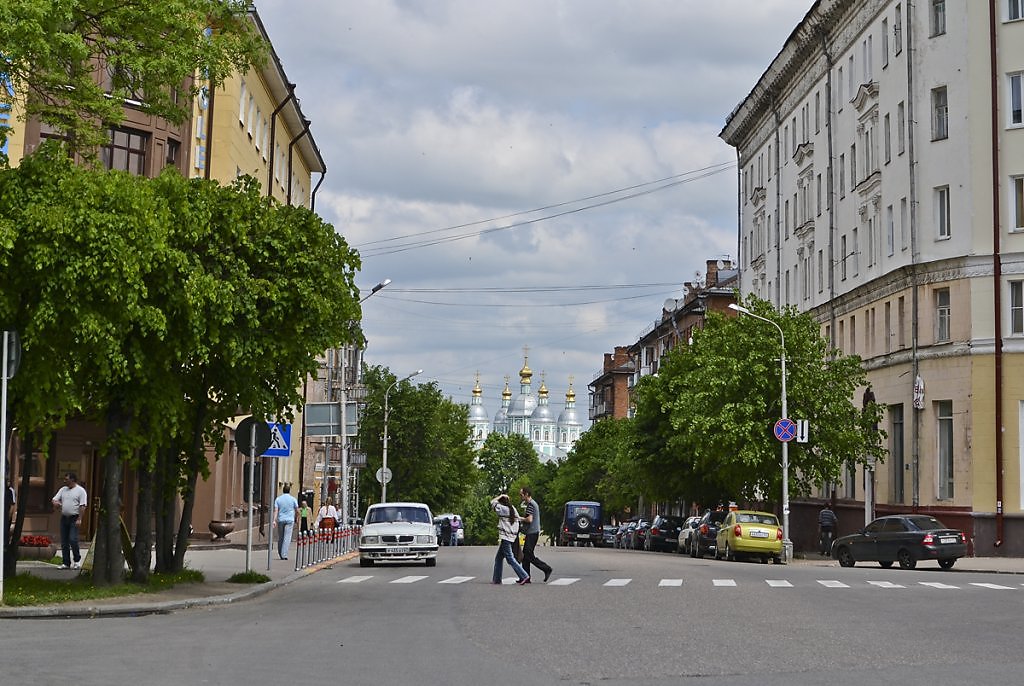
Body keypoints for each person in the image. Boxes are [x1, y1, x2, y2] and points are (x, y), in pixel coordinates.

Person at [489, 493, 530, 585]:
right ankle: (497, 579)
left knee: (510, 558)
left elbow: (492, 502)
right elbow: (518, 522)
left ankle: (524, 575)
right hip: (512, 537)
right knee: (499, 558)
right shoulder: (513, 509)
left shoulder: (503, 509)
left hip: (505, 537)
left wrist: (500, 495)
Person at [52, 472, 88, 570]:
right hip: (64, 517)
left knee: (73, 539)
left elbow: (83, 506)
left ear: (72, 480)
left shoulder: (80, 491)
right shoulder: (63, 490)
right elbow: (54, 499)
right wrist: (56, 503)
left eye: (66, 479)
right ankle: (66, 562)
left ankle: (77, 560)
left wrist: (80, 519)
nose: (64, 481)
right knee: (64, 542)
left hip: (74, 518)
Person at [519, 487, 553, 582]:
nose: (520, 497)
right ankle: (525, 576)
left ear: (526, 494)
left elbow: (529, 519)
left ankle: (546, 568)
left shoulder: (531, 505)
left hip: (532, 532)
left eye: (521, 495)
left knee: (528, 554)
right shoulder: (533, 504)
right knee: (526, 555)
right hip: (532, 532)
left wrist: (519, 518)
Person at [273, 485, 299, 560]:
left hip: (281, 519)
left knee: (281, 537)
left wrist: (274, 520)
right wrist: (296, 518)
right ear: (289, 490)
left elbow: (276, 510)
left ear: (283, 490)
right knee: (287, 537)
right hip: (290, 520)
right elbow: (297, 510)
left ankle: (280, 552)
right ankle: (284, 554)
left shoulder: (278, 499)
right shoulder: (293, 499)